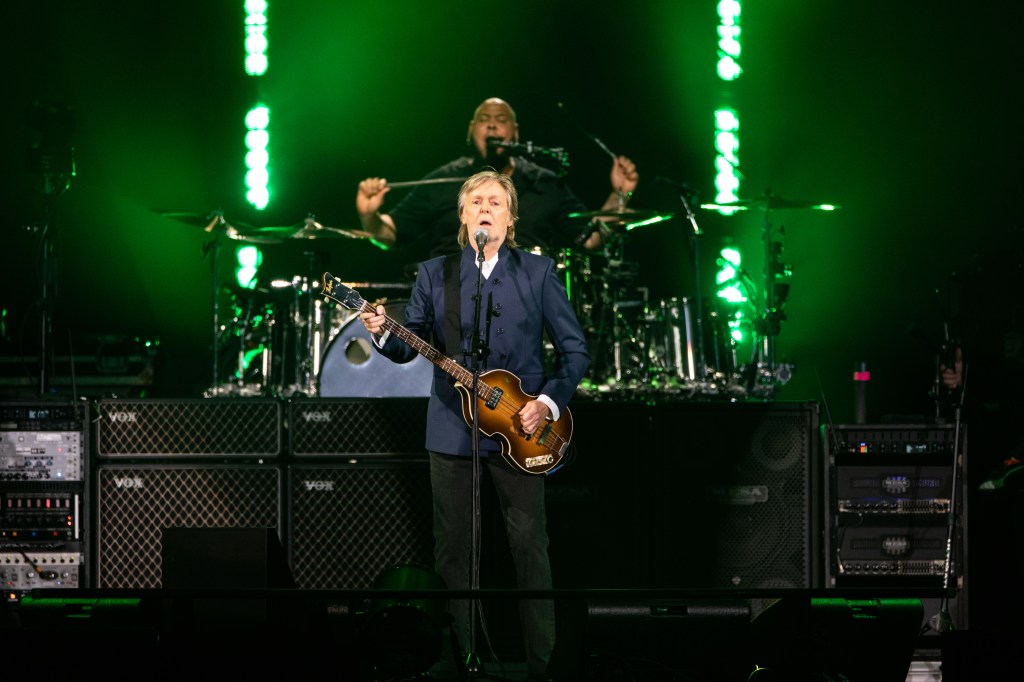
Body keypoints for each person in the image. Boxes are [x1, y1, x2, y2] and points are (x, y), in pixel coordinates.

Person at [359, 169, 591, 680]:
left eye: (496, 202)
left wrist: (547, 404)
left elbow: (575, 350)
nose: (486, 208)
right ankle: (458, 661)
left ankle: (543, 666)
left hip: (522, 426)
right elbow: (406, 345)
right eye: (476, 201)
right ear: (463, 216)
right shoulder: (434, 272)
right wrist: (380, 332)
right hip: (450, 425)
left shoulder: (538, 272)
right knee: (453, 551)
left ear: (510, 217)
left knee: (530, 546)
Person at [355, 96, 640, 263]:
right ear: (471, 130)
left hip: (527, 313)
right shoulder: (444, 179)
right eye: (484, 119)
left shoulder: (543, 182)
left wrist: (619, 196)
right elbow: (390, 233)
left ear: (515, 132)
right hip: (452, 311)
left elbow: (590, 239)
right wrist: (370, 217)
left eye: (501, 119)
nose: (492, 124)